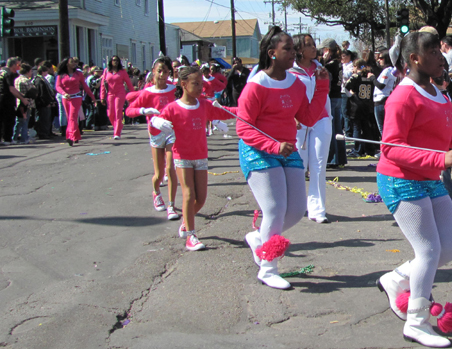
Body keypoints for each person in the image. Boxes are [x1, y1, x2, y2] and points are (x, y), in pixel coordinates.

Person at [375, 30, 452, 348]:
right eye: (432, 51)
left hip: (429, 177)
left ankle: (397, 279)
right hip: (401, 179)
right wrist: (440, 158)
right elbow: (391, 148)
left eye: (439, 50)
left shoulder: (438, 91)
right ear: (414, 59)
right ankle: (417, 321)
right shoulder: (403, 96)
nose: (440, 56)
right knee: (429, 251)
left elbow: (449, 138)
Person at [237, 28, 329, 289]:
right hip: (258, 152)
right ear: (272, 53)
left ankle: (259, 238)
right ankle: (268, 267)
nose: (294, 53)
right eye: (288, 48)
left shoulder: (296, 84)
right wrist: (273, 145)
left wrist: (322, 86)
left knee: (297, 210)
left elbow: (309, 118)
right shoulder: (255, 86)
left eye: (293, 48)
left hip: (286, 151)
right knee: (275, 210)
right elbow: (244, 128)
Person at [150, 65, 237, 251]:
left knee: (202, 199)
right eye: (195, 84)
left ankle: (186, 222)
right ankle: (191, 235)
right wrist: (155, 121)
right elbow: (154, 128)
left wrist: (247, 109)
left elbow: (226, 111)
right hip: (182, 156)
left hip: (201, 157)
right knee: (189, 194)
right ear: (183, 84)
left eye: (201, 84)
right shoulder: (173, 108)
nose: (200, 88)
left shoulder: (204, 105)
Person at [125, 57, 181, 221]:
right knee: (159, 173)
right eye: (159, 71)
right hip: (155, 133)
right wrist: (145, 111)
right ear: (153, 72)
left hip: (171, 131)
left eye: (165, 71)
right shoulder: (147, 92)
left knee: (171, 169)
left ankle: (171, 205)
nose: (162, 74)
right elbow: (129, 111)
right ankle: (156, 192)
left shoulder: (174, 89)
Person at [291, 34, 333, 224]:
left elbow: (326, 95)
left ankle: (317, 209)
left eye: (314, 44)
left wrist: (329, 116)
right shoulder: (289, 70)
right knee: (299, 164)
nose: (314, 47)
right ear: (299, 49)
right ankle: (297, 206)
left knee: (319, 165)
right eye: (308, 45)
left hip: (321, 119)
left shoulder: (320, 69)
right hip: (299, 121)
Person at [55, 57, 95, 146]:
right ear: (67, 63)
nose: (74, 64)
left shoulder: (78, 74)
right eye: (71, 62)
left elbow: (85, 86)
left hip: (76, 97)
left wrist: (93, 97)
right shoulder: (61, 74)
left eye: (74, 62)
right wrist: (64, 93)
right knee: (69, 117)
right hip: (66, 97)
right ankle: (76, 136)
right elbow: (58, 86)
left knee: (73, 116)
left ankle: (70, 136)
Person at [345, 60, 378, 156]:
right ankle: (369, 149)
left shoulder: (356, 77)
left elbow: (346, 87)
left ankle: (357, 150)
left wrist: (351, 96)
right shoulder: (369, 77)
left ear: (356, 66)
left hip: (356, 105)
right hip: (367, 104)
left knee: (356, 128)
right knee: (366, 128)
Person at [322, 39, 347, 168]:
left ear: (328, 50)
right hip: (338, 97)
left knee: (330, 129)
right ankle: (340, 158)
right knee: (338, 128)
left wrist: (323, 62)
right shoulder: (339, 63)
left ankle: (332, 158)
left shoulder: (330, 64)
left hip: (331, 97)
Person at [100, 56, 133, 140]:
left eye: (117, 60)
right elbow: (103, 85)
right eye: (114, 60)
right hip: (110, 94)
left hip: (120, 93)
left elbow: (129, 83)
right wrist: (102, 96)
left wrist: (134, 94)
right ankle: (117, 126)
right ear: (111, 61)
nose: (115, 62)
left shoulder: (122, 72)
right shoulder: (107, 71)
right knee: (110, 113)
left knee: (118, 111)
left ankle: (117, 132)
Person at [0, 58, 31, 145]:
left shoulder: (1, 71)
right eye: (18, 64)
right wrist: (22, 98)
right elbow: (11, 89)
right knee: (9, 119)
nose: (19, 67)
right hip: (6, 99)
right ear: (13, 65)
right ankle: (7, 139)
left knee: (1, 119)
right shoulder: (9, 74)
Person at [373, 50, 396, 135]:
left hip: (381, 101)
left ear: (387, 58)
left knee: (382, 128)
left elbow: (381, 85)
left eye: (381, 58)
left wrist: (372, 78)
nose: (379, 60)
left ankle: (386, 147)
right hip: (385, 99)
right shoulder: (392, 70)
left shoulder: (387, 70)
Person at [33, 61, 57, 140]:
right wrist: (46, 102)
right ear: (43, 71)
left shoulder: (43, 79)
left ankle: (47, 132)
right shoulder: (39, 81)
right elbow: (42, 93)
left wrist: (52, 101)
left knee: (47, 119)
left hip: (47, 103)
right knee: (43, 119)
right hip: (43, 104)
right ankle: (43, 133)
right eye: (46, 71)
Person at [13, 63, 34, 143]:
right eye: (31, 71)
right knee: (25, 121)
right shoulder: (26, 81)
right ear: (28, 71)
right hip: (26, 103)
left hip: (18, 102)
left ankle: (14, 137)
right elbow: (32, 91)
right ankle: (24, 138)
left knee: (19, 122)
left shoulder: (17, 79)